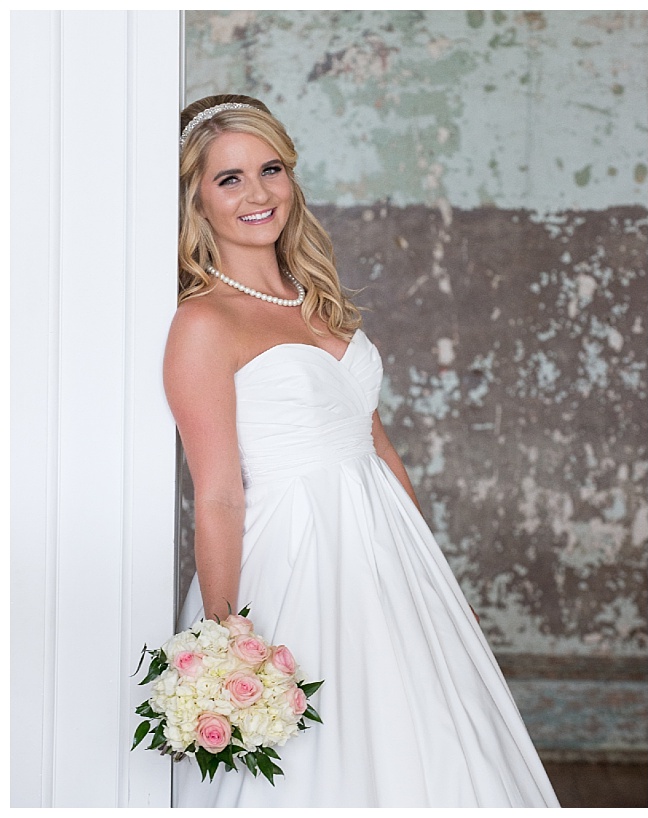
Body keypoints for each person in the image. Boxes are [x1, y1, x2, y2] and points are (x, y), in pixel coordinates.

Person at [165, 94, 558, 807]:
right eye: (229, 179)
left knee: (432, 740)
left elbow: (375, 443)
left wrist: (440, 581)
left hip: (389, 549)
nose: (258, 193)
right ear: (197, 199)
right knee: (321, 750)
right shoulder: (203, 321)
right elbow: (218, 491)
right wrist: (225, 643)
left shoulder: (314, 299)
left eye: (270, 169)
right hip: (298, 555)